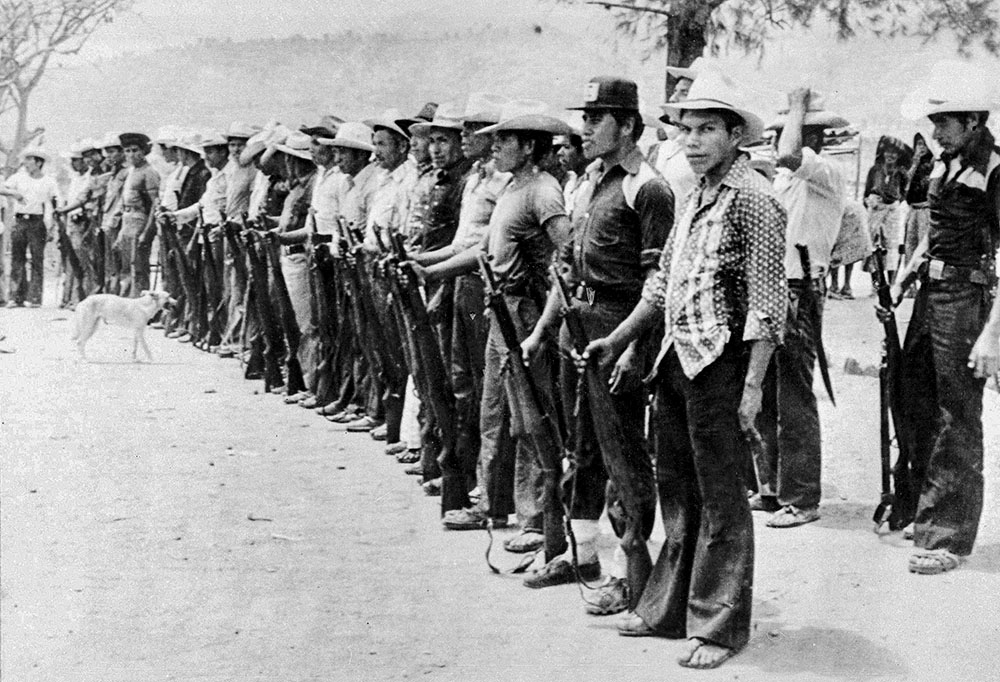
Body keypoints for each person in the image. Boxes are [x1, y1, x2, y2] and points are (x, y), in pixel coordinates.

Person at [581, 69, 786, 669]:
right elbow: (663, 282)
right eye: (687, 130)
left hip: (722, 364)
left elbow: (769, 305)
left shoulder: (755, 200)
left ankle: (719, 626)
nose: (693, 141)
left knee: (722, 496)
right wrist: (618, 339)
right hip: (677, 359)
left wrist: (751, 389)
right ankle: (669, 608)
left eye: (707, 131)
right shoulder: (693, 193)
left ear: (734, 136)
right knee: (678, 488)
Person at [519, 76, 671, 601]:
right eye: (584, 118)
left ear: (627, 126)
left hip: (616, 329)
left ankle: (631, 574)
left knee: (623, 455)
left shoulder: (647, 188)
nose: (584, 129)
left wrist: (635, 348)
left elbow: (658, 282)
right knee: (580, 449)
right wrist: (542, 332)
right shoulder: (586, 183)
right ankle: (582, 557)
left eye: (595, 119)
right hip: (573, 329)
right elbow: (565, 268)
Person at [889, 65, 1000, 575]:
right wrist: (911, 268)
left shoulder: (994, 169)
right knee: (912, 396)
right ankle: (923, 506)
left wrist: (992, 334)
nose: (936, 132)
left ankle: (948, 537)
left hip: (966, 297)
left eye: (945, 123)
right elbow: (937, 228)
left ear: (974, 121)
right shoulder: (942, 164)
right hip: (931, 294)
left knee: (957, 413)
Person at [752, 88, 847, 528]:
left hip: (800, 288)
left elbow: (789, 152)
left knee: (793, 396)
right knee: (769, 393)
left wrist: (796, 108)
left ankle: (803, 497)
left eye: (787, 131)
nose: (776, 141)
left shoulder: (825, 171)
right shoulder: (789, 179)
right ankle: (772, 488)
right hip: (776, 286)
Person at [1, 148, 58, 308]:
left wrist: (51, 226)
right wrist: (14, 193)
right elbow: (2, 188)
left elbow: (53, 203)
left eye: (29, 160)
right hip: (20, 221)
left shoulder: (48, 181)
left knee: (37, 259)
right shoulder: (18, 177)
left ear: (38, 162)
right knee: (17, 258)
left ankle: (34, 297)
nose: (25, 163)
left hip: (37, 222)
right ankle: (16, 296)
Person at [116, 132, 161, 297]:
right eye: (127, 151)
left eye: (135, 150)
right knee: (126, 266)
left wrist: (147, 233)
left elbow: (155, 205)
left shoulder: (148, 172)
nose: (131, 154)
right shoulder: (131, 172)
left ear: (144, 151)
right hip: (127, 220)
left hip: (139, 220)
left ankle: (140, 305)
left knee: (139, 267)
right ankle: (126, 304)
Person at [864, 135, 911, 283]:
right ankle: (876, 282)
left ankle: (891, 283)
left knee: (891, 246)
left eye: (894, 152)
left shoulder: (901, 173)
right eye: (888, 151)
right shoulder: (875, 170)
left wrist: (895, 202)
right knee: (872, 245)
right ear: (883, 153)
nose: (890, 155)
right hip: (876, 208)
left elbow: (905, 192)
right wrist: (870, 202)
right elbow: (866, 191)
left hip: (892, 211)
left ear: (898, 155)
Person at [903, 132, 935, 265]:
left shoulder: (934, 162)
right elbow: (905, 184)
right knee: (910, 246)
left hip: (925, 209)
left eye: (924, 144)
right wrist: (914, 164)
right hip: (913, 209)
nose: (922, 148)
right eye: (919, 144)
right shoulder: (912, 163)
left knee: (923, 247)